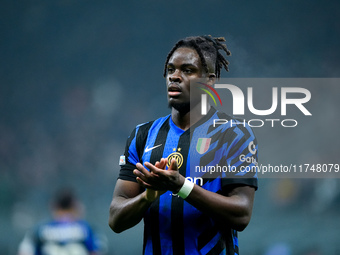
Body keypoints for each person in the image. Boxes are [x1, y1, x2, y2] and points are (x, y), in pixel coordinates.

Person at [108, 35, 258, 255]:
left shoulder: (234, 134)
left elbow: (242, 214)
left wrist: (182, 186)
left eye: (187, 70)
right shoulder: (143, 135)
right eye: (170, 70)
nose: (175, 77)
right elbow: (115, 219)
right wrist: (147, 197)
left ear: (209, 79)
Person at [18, 188, 101, 255]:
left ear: (54, 206)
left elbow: (25, 251)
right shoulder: (86, 229)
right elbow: (96, 251)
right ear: (74, 205)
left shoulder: (39, 229)